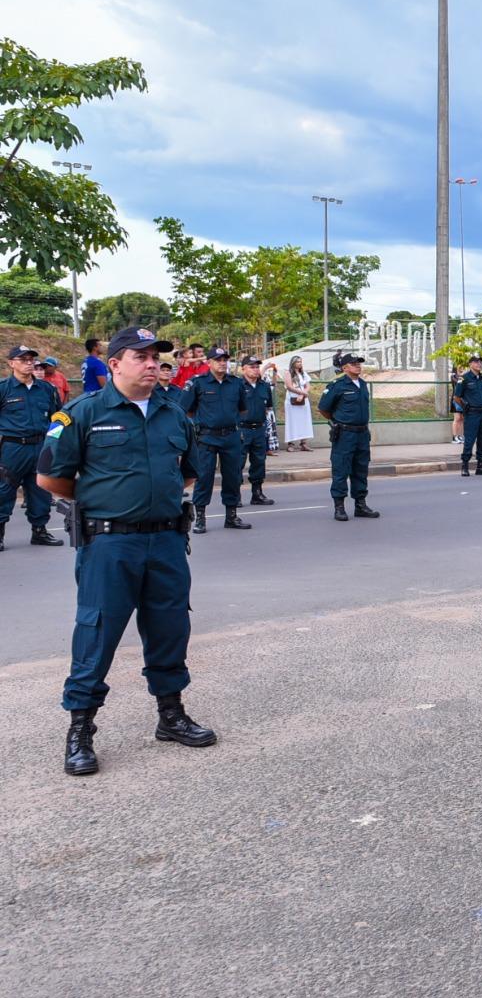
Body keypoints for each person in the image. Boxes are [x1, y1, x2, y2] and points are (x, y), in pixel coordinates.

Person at [37, 326, 217, 776]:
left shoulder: (174, 415)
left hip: (167, 541)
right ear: (114, 363)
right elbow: (51, 479)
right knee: (96, 633)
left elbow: (189, 473)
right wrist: (109, 499)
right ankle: (81, 729)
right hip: (110, 543)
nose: (153, 364)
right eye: (141, 356)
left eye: (156, 356)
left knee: (170, 627)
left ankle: (170, 715)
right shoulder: (81, 412)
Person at [0, 344, 66, 552]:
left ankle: (39, 531)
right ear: (11, 364)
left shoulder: (46, 389)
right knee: (4, 490)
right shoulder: (3, 390)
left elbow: (58, 418)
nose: (29, 363)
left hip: (40, 446)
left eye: (31, 359)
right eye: (23, 359)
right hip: (12, 448)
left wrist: (52, 442)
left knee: (41, 490)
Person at [179, 346, 250, 534]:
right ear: (209, 362)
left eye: (225, 359)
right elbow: (185, 409)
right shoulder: (198, 383)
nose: (222, 363)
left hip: (231, 437)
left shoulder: (236, 383)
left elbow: (243, 409)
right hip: (207, 437)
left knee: (233, 476)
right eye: (218, 360)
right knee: (204, 477)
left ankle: (231, 515)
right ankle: (201, 518)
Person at [318, 352, 380, 522]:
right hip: (345, 434)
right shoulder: (337, 385)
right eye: (353, 363)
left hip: (362, 433)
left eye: (359, 363)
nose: (358, 365)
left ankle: (360, 505)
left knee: (361, 469)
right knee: (341, 469)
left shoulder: (363, 384)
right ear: (344, 368)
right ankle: (339, 507)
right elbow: (323, 408)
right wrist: (336, 422)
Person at [237, 356, 276, 507]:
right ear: (243, 369)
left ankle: (257, 493)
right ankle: (236, 494)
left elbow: (268, 408)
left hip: (259, 428)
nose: (255, 369)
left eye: (256, 366)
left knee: (259, 462)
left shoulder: (264, 386)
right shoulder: (237, 385)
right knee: (237, 463)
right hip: (242, 429)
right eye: (251, 366)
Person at [454, 355, 482, 476]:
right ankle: (465, 465)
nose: (479, 364)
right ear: (470, 364)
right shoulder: (464, 378)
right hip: (472, 413)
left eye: (480, 362)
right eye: (476, 362)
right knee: (470, 439)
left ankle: (480, 466)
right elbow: (457, 397)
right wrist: (466, 407)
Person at [282, 355, 314, 450]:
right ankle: (290, 444)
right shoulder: (288, 373)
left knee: (304, 421)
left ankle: (303, 443)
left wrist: (302, 394)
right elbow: (289, 386)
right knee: (292, 421)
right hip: (292, 398)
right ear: (293, 363)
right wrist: (301, 393)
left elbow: (307, 386)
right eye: (297, 362)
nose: (300, 363)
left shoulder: (303, 373)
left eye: (300, 362)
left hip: (303, 399)